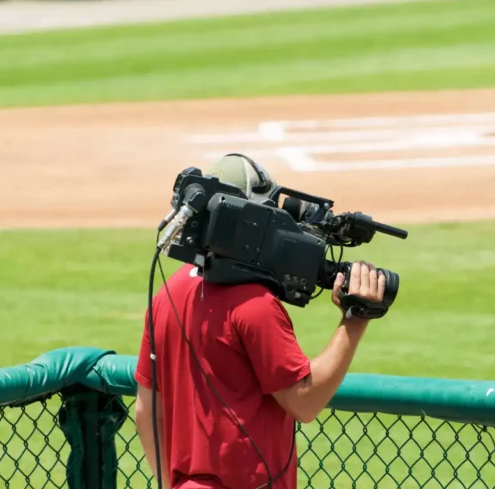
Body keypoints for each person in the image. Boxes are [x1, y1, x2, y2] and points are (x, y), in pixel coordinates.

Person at [134, 154, 387, 489]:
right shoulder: (254, 304)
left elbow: (146, 411)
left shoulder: (168, 294)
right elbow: (305, 401)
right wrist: (354, 321)